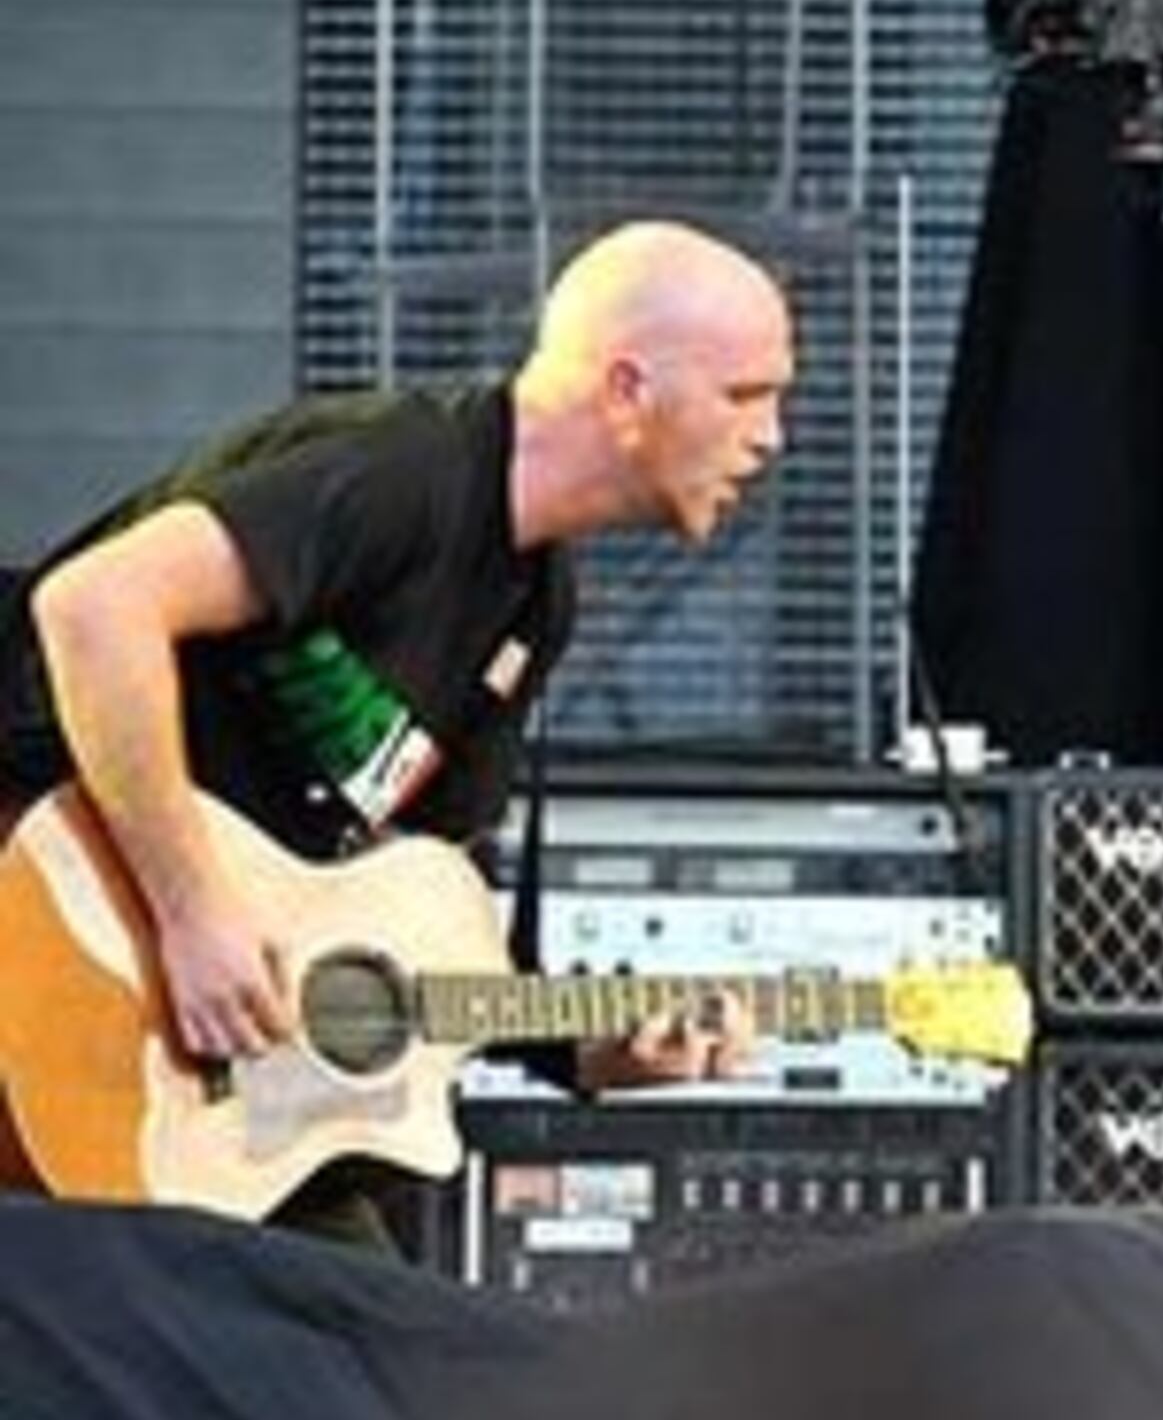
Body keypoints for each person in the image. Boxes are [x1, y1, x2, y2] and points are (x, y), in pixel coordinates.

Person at [0, 219, 796, 1240]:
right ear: (627, 389)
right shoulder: (401, 476)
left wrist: (583, 1050)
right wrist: (193, 910)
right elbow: (94, 610)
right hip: (53, 920)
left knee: (379, 1356)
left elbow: (412, 910)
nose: (772, 436)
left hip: (205, 1074)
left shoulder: (532, 603)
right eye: (746, 394)